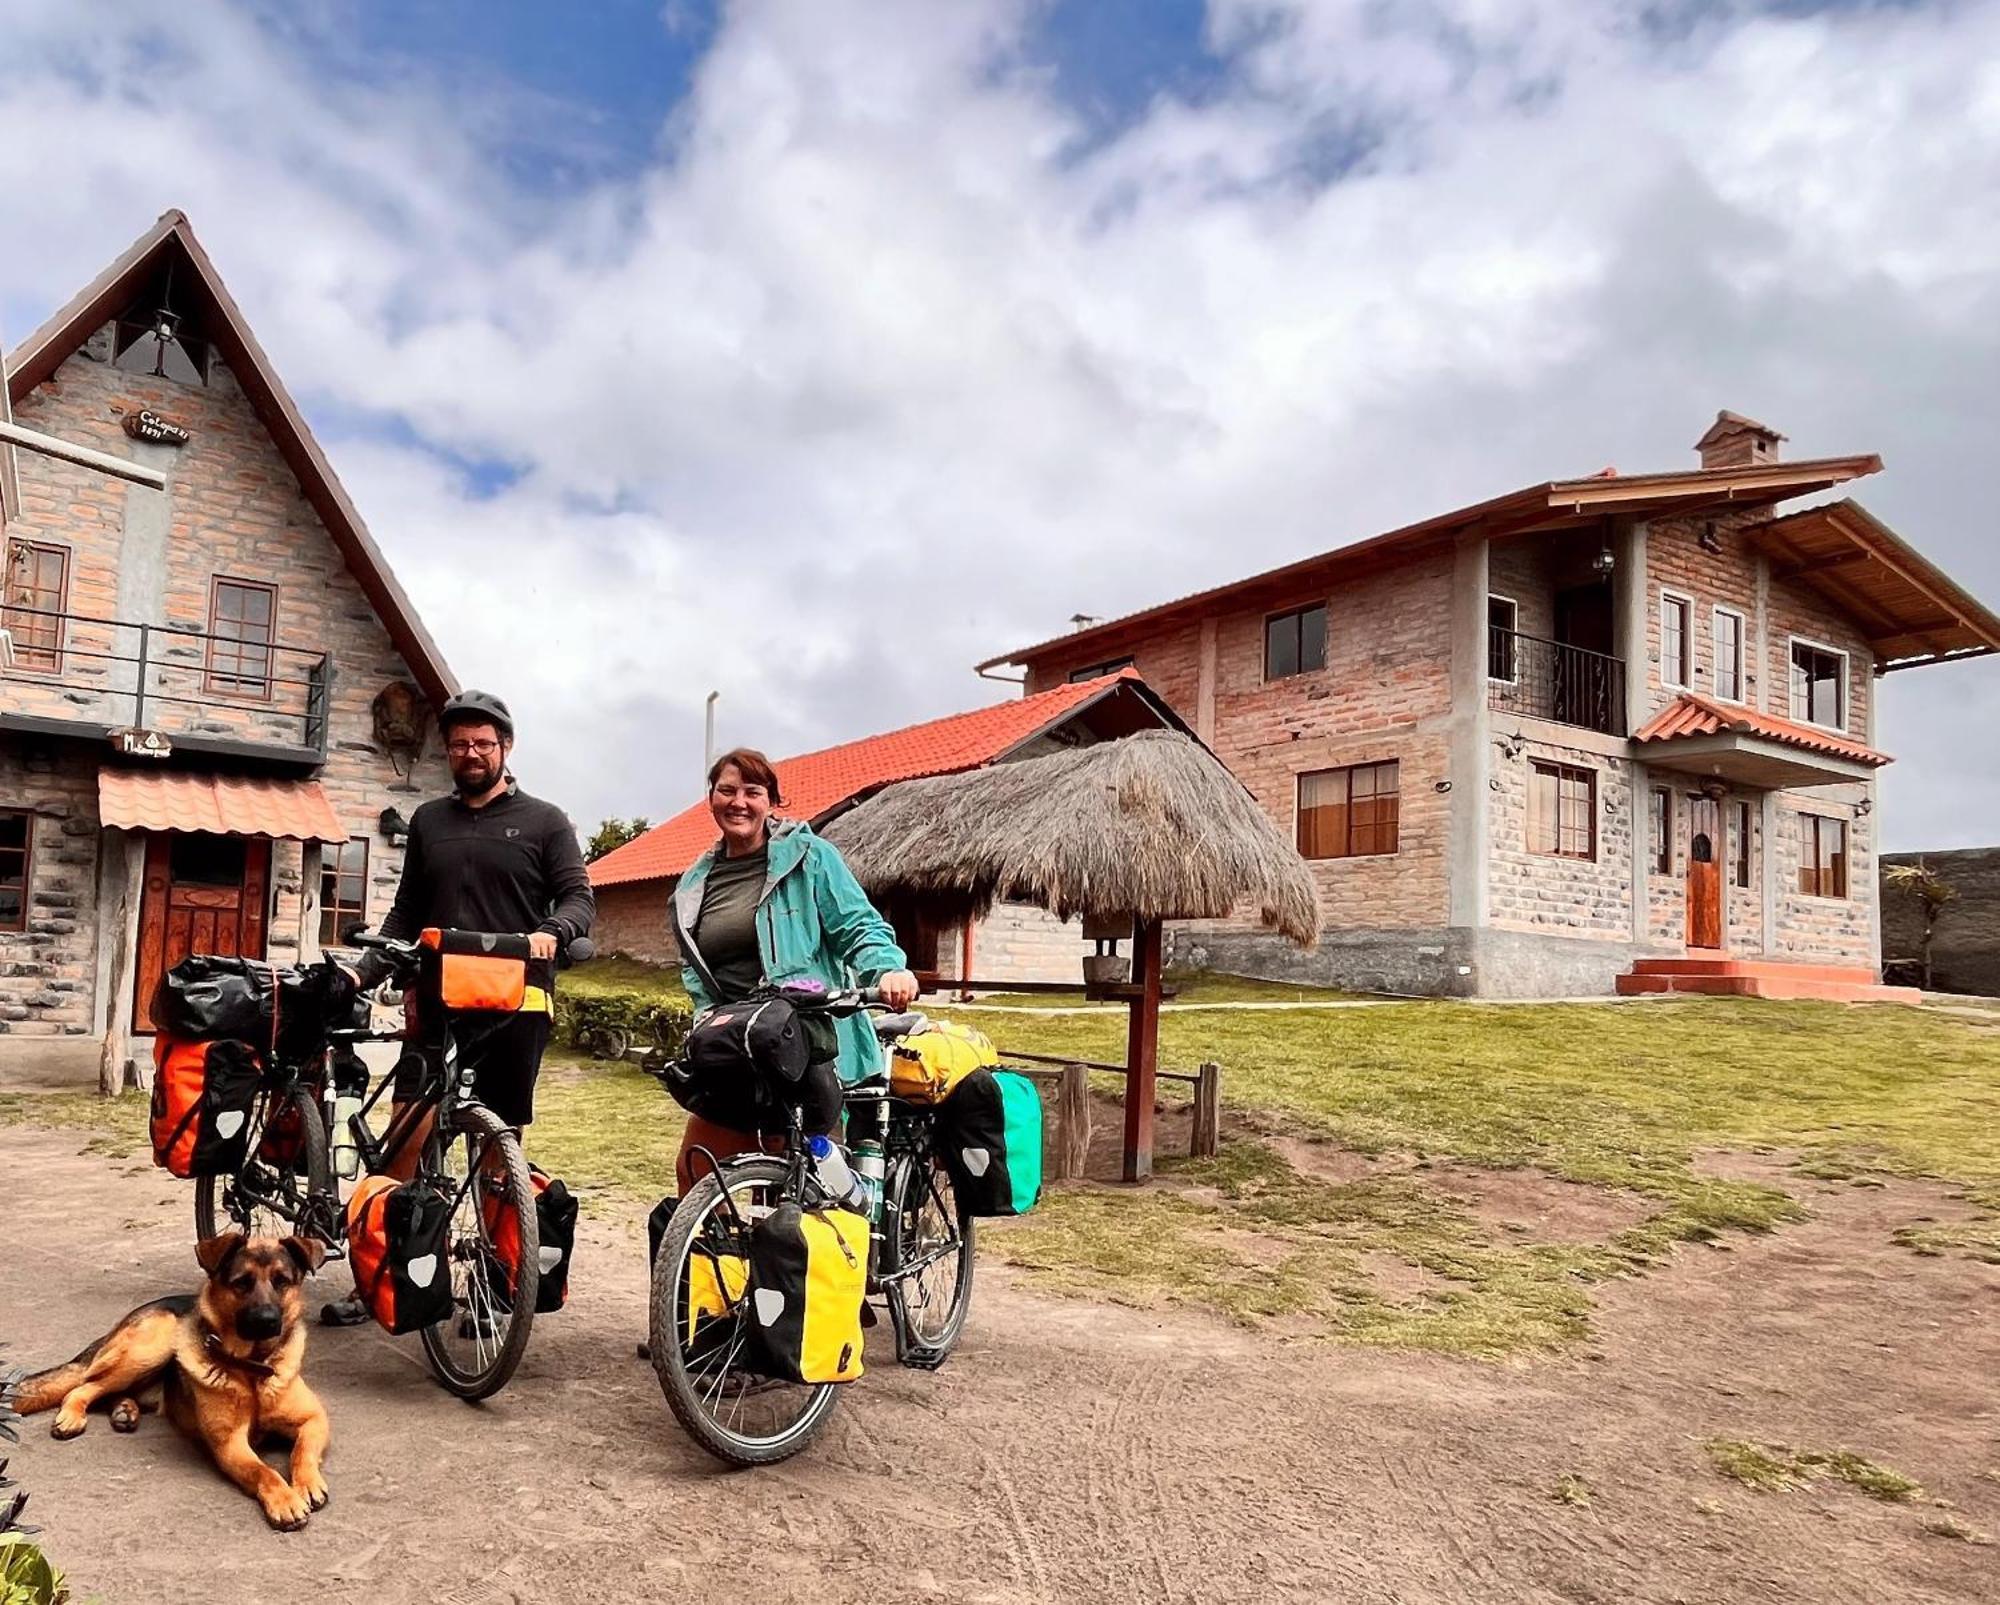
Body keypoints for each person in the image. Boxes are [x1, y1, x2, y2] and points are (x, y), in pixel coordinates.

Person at [321, 689, 594, 1327]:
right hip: (436, 998)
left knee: (497, 1149)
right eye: (460, 745)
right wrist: (367, 970)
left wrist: (556, 930)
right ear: (448, 752)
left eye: (484, 744)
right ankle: (388, 1277)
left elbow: (579, 896)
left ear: (506, 747)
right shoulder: (429, 822)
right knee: (407, 1136)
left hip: (514, 1002)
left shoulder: (546, 821)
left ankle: (495, 1288)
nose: (471, 754)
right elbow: (408, 909)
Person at [671, 747, 918, 1193]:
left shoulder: (810, 857)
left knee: (806, 1195)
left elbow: (857, 924)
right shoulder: (693, 883)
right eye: (726, 791)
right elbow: (695, 969)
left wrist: (887, 970)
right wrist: (704, 1022)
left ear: (771, 801)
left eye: (752, 791)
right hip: (739, 1046)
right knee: (695, 1171)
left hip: (808, 1044)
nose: (738, 802)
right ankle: (712, 1260)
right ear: (711, 798)